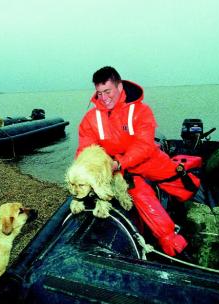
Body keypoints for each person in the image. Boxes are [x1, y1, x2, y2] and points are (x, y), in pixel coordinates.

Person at [76, 66, 200, 257]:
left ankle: (191, 194)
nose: (104, 98)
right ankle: (175, 246)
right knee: (143, 197)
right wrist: (85, 172)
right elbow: (85, 150)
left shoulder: (140, 111)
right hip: (118, 170)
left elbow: (144, 145)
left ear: (119, 86)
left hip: (145, 159)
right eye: (99, 93)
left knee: (178, 177)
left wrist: (122, 162)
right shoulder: (91, 119)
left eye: (107, 91)